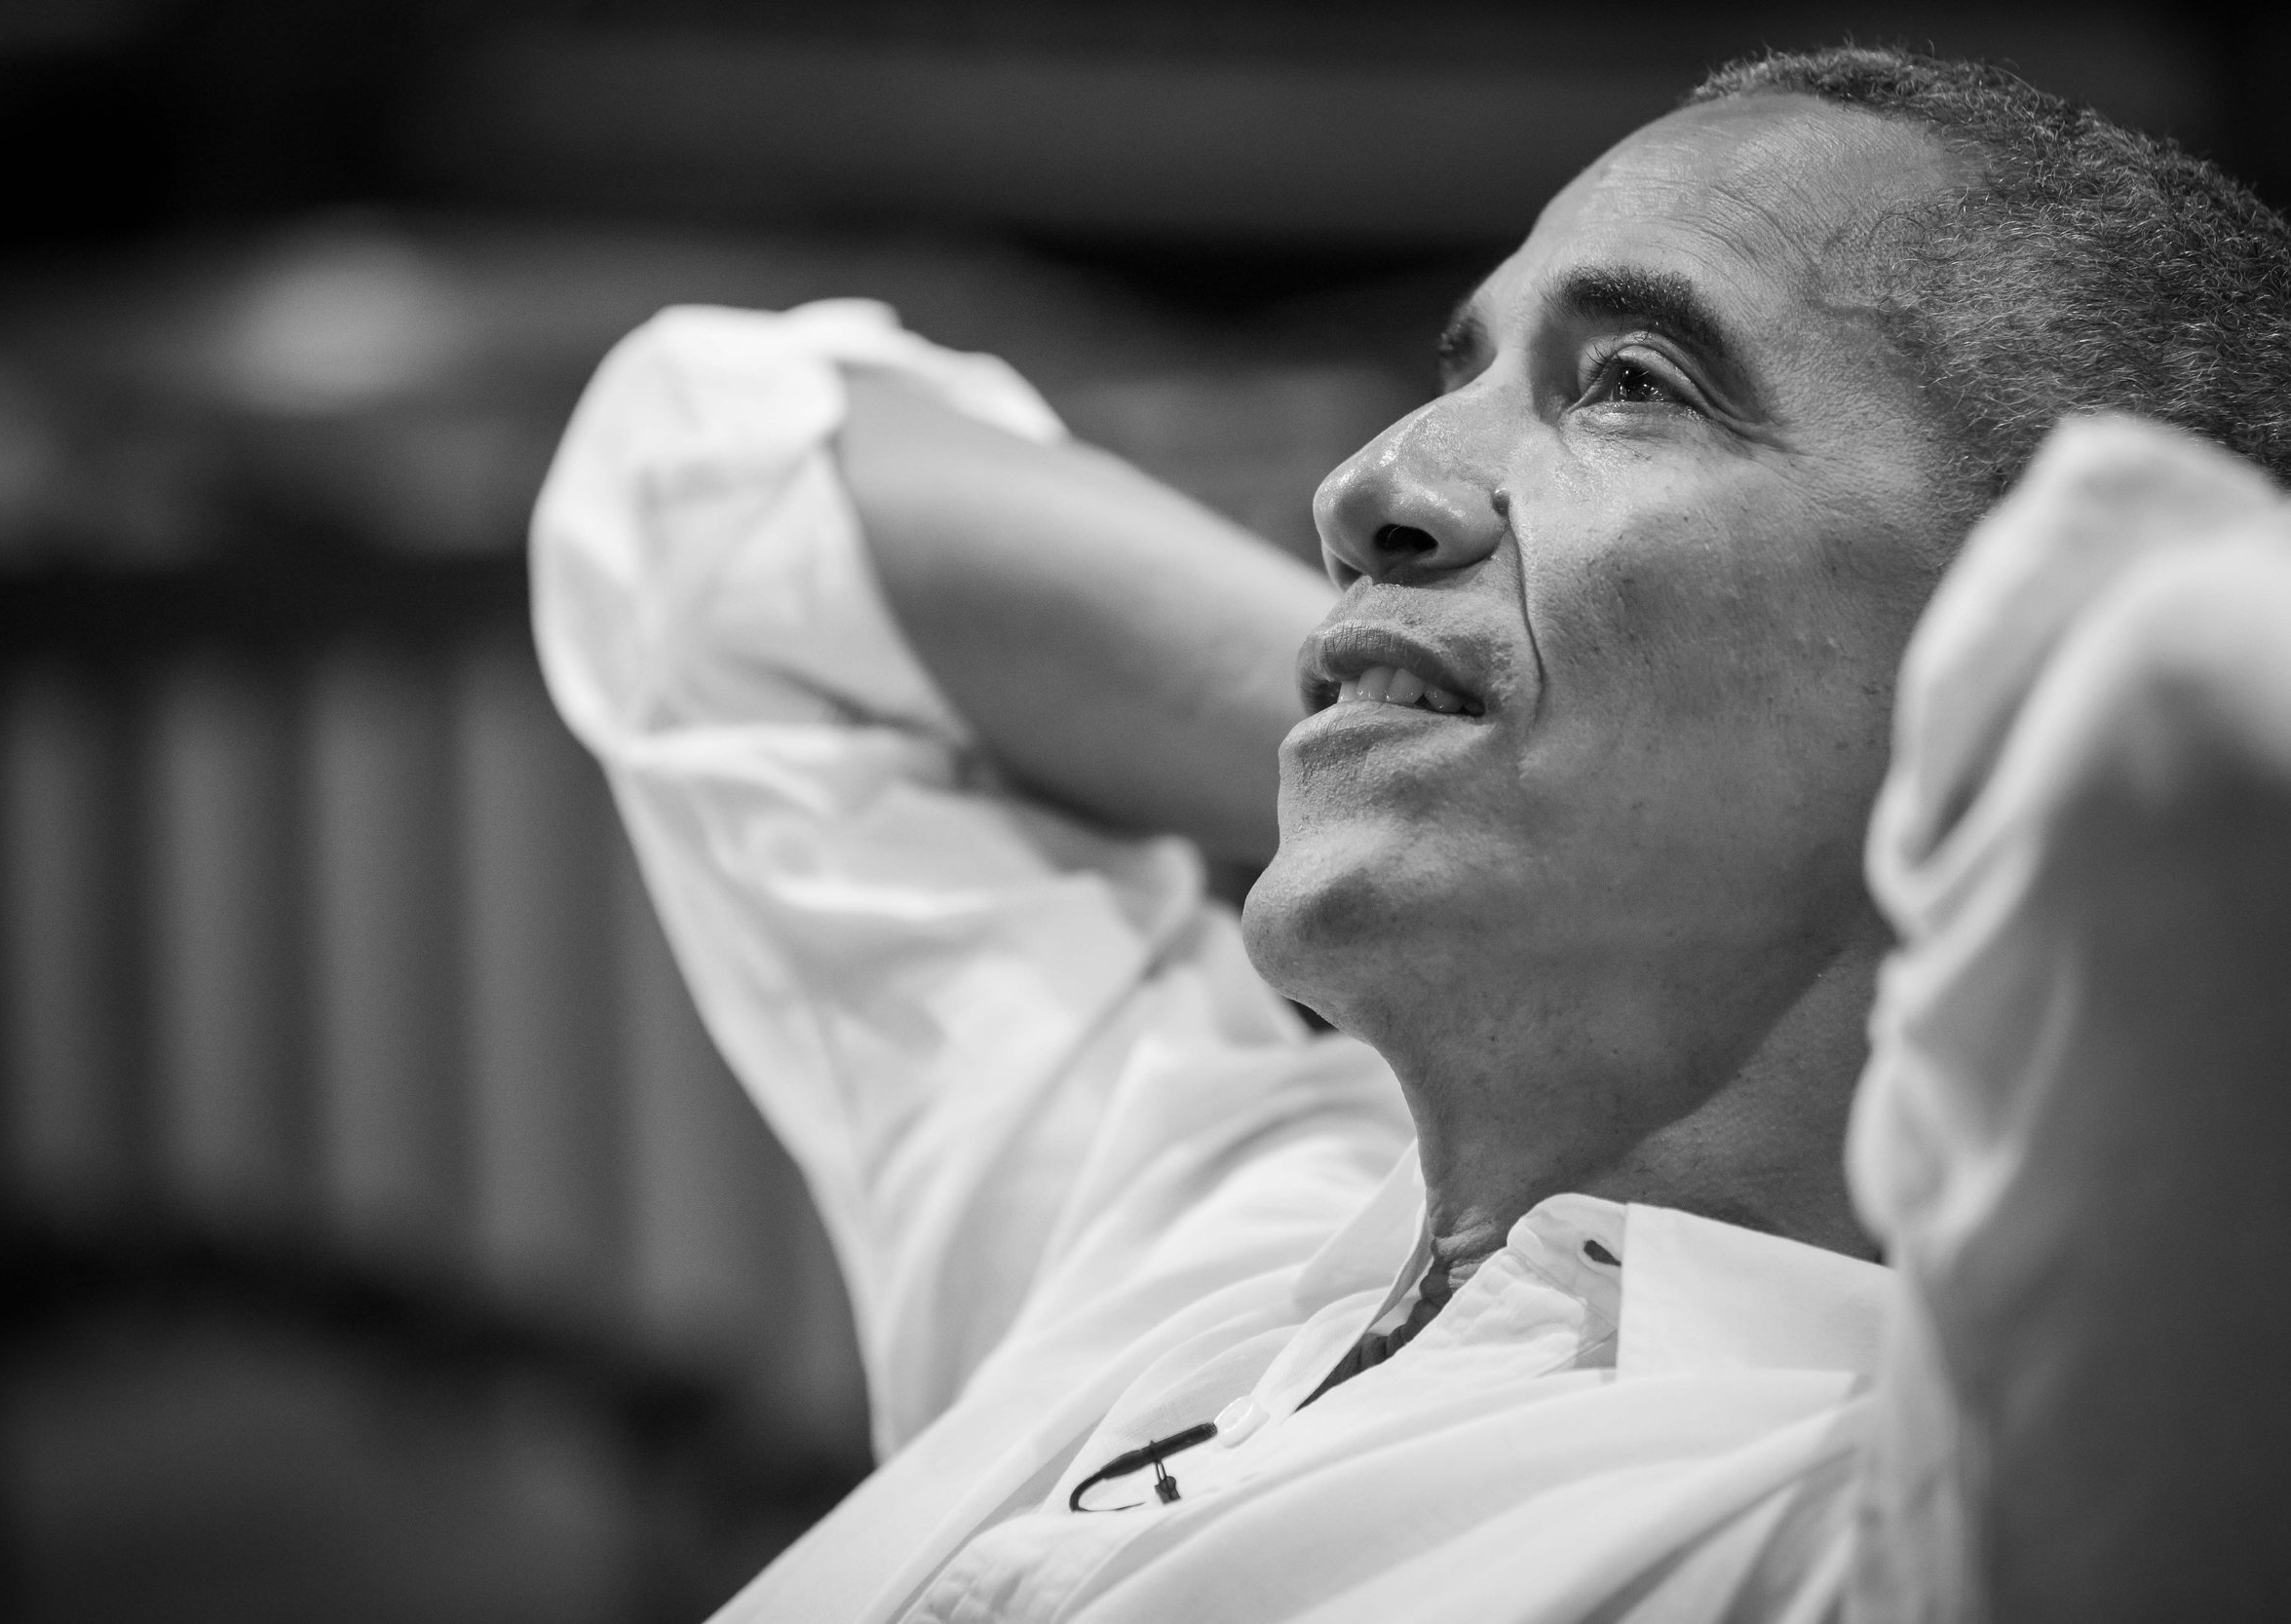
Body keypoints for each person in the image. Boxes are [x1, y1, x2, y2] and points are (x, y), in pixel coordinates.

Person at [532, 46, 2291, 1624]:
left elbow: (2201, 673)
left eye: (1632, 383)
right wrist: (1430, 749)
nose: (1371, 481)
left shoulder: (1915, 1525)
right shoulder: (1185, 1235)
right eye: (1461, 370)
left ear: (1998, 649)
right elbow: (705, 484)